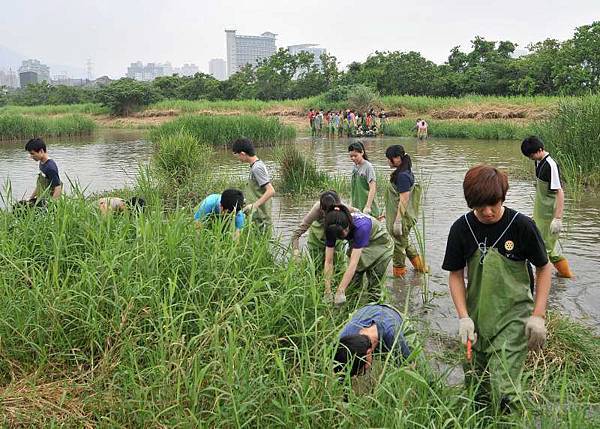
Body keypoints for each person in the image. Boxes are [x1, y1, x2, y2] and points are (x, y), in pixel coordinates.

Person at [442, 165, 551, 412]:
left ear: (503, 196)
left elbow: (544, 268)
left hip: (513, 317)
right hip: (477, 317)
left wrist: (538, 315)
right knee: (475, 386)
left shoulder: (521, 226)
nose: (488, 212)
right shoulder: (461, 229)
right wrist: (463, 317)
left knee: (506, 390)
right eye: (480, 207)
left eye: (494, 204)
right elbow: (456, 274)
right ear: (471, 203)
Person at [521, 136, 573, 278]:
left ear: (540, 149)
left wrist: (557, 218)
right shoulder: (538, 162)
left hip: (549, 216)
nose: (531, 158)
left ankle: (553, 281)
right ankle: (565, 278)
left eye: (532, 155)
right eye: (528, 156)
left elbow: (560, 192)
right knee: (546, 248)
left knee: (545, 250)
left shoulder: (551, 164)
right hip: (540, 214)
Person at [324, 205, 393, 305]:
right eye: (340, 235)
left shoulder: (361, 227)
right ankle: (351, 308)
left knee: (374, 284)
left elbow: (353, 263)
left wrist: (340, 290)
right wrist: (327, 290)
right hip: (359, 244)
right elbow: (328, 261)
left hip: (380, 245)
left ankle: (374, 311)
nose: (344, 234)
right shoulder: (331, 229)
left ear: (348, 223)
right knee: (353, 282)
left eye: (346, 231)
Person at [384, 145, 427, 277]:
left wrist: (397, 221)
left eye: (389, 159)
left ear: (397, 158)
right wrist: (386, 214)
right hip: (399, 216)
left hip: (401, 219)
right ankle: (421, 269)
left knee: (398, 247)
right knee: (405, 243)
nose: (388, 161)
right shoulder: (404, 172)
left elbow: (404, 200)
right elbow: (395, 199)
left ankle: (399, 278)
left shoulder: (402, 176)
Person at [334, 303, 411, 377]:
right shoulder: (344, 337)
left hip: (392, 313)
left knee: (414, 362)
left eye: (361, 372)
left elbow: (409, 366)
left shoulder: (393, 336)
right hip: (366, 311)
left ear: (369, 353)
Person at [291, 190, 357, 265]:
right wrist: (296, 252)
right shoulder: (316, 210)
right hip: (317, 239)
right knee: (317, 266)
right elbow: (296, 234)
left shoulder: (342, 208)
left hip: (335, 239)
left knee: (338, 265)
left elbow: (359, 215)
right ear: (322, 210)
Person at [231, 139, 275, 232]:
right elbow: (256, 190)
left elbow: (271, 191)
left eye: (237, 156)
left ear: (242, 154)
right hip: (257, 216)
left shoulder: (257, 168)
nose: (238, 160)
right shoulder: (255, 166)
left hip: (262, 218)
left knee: (262, 243)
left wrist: (254, 205)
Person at [24, 138, 62, 203]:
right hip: (42, 198)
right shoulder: (42, 163)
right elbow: (40, 184)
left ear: (41, 151)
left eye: (32, 154)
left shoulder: (50, 167)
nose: (31, 156)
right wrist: (30, 198)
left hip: (48, 201)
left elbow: (58, 188)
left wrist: (50, 206)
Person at [348, 141, 380, 217]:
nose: (353, 158)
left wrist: (368, 206)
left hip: (367, 207)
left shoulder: (368, 167)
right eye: (351, 156)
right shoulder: (355, 167)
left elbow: (372, 188)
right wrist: (350, 204)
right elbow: (353, 189)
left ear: (362, 152)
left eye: (355, 156)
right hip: (357, 206)